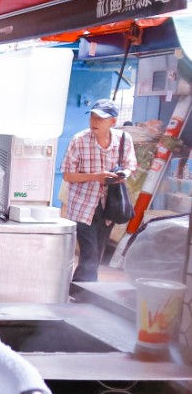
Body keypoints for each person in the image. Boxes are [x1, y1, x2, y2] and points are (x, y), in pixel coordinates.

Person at [61, 98, 137, 282]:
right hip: (82, 205)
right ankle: (86, 293)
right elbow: (67, 175)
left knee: (98, 251)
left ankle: (78, 288)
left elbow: (130, 165)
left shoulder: (124, 140)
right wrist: (96, 176)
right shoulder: (79, 140)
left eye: (100, 118)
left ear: (113, 122)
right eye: (92, 117)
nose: (94, 122)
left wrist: (122, 174)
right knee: (90, 250)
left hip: (110, 205)